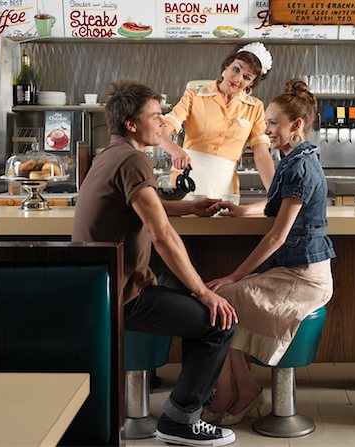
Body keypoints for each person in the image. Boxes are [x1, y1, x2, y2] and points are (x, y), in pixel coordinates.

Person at [72, 79, 239, 447]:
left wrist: (188, 207)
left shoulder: (112, 153)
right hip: (121, 294)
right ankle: (181, 420)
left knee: (196, 298)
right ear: (132, 124)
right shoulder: (133, 159)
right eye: (154, 116)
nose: (162, 122)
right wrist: (204, 293)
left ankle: (190, 406)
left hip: (102, 284)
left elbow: (142, 205)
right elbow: (161, 233)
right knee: (219, 320)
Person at [202, 78, 336, 425]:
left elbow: (277, 236)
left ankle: (237, 392)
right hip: (293, 271)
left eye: (274, 123)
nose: (267, 129)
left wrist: (236, 273)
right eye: (267, 122)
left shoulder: (301, 166)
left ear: (297, 125)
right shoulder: (294, 160)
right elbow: (277, 206)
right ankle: (239, 389)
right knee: (222, 301)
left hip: (305, 279)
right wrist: (241, 210)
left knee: (225, 296)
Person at [159, 42, 275, 198]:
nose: (238, 78)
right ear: (227, 66)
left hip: (225, 187)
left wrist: (275, 196)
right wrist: (175, 150)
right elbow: (159, 132)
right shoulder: (194, 96)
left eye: (247, 77)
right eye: (236, 69)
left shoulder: (255, 107)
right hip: (187, 181)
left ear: (251, 83)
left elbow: (261, 155)